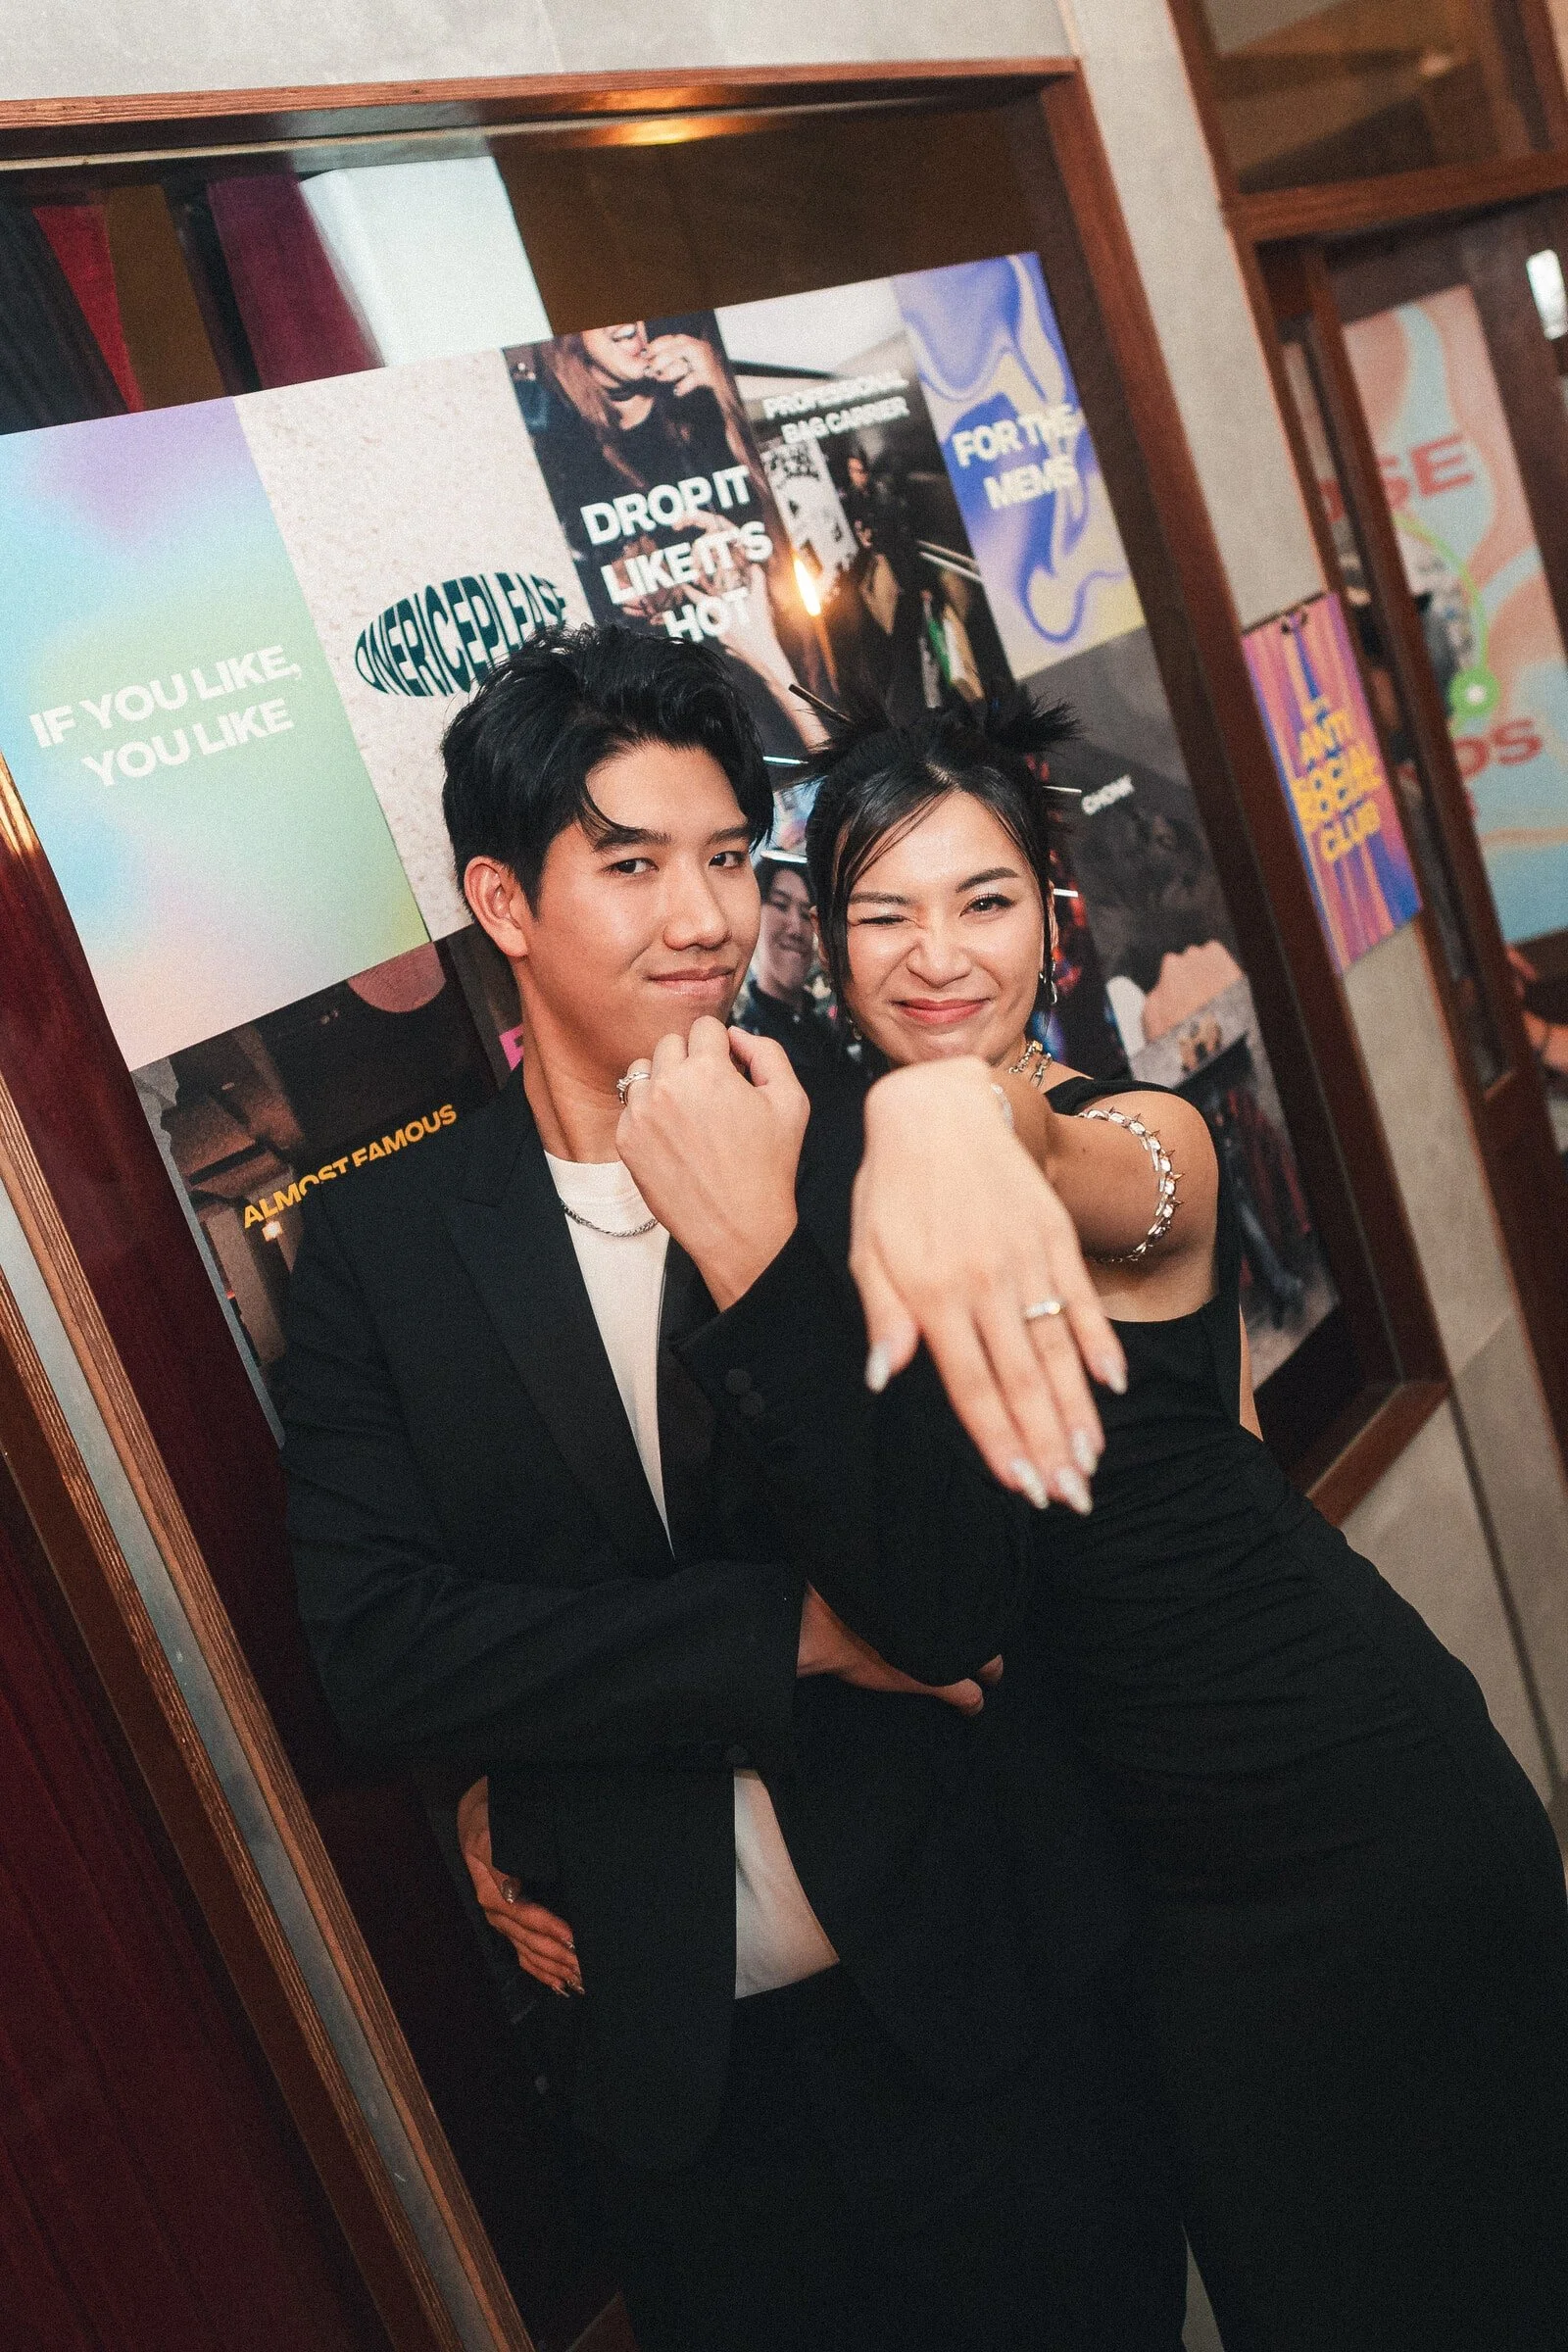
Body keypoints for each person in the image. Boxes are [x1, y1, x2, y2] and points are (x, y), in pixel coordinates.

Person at [284, 627, 1187, 2352]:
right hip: (689, 2099)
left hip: (993, 2034)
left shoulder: (877, 1140)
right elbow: (381, 1658)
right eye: (630, 865)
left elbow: (950, 1598)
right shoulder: (389, 1252)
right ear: (503, 901)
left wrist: (763, 1244)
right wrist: (789, 1636)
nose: (702, 916)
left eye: (723, 858)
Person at [792, 693, 1568, 2352]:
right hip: (1165, 1906)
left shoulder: (1145, 1147)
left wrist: (947, 1110)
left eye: (984, 902)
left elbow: (1037, 1147)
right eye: (886, 913)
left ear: (1056, 920)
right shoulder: (825, 1185)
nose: (939, 956)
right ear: (822, 945)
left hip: (1362, 1813)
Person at [732, 854, 843, 1074]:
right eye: (781, 905)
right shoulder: (743, 1043)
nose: (795, 929)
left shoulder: (831, 1031)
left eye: (805, 914)